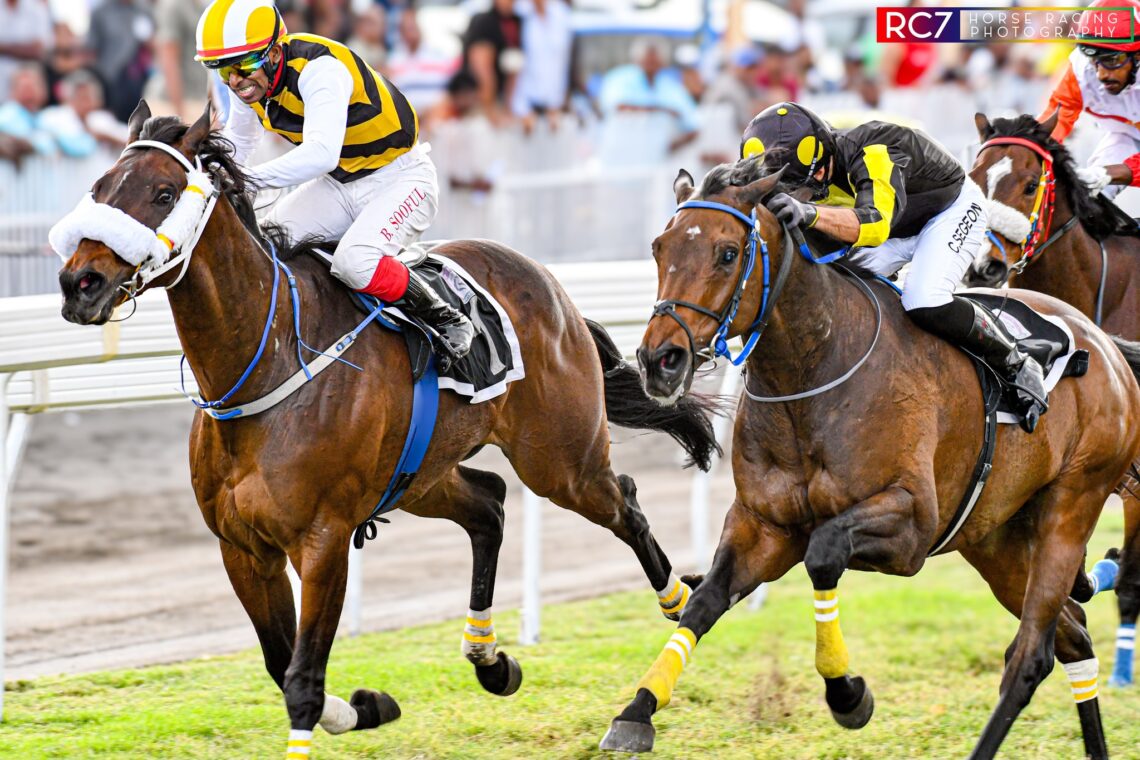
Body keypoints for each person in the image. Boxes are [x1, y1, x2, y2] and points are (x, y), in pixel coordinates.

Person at [195, 0, 474, 362]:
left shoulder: (319, 70)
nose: (235, 81)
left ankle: (447, 318)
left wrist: (246, 179)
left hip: (402, 178)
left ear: (275, 53)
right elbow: (239, 145)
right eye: (223, 70)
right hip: (340, 183)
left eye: (244, 66)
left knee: (354, 261)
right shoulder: (251, 84)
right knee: (264, 247)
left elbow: (321, 154)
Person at [741, 102, 1047, 430]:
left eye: (811, 179)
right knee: (831, 289)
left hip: (947, 213)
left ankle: (1016, 361)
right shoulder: (792, 165)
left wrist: (810, 213)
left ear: (824, 156)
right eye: (795, 188)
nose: (806, 191)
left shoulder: (873, 150)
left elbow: (875, 226)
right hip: (894, 224)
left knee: (924, 299)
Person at [1040, 0, 1140, 199]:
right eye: (1095, 59)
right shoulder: (1081, 69)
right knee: (1091, 193)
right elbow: (1056, 119)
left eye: (1112, 60)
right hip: (1127, 135)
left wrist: (1111, 173)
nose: (1101, 74)